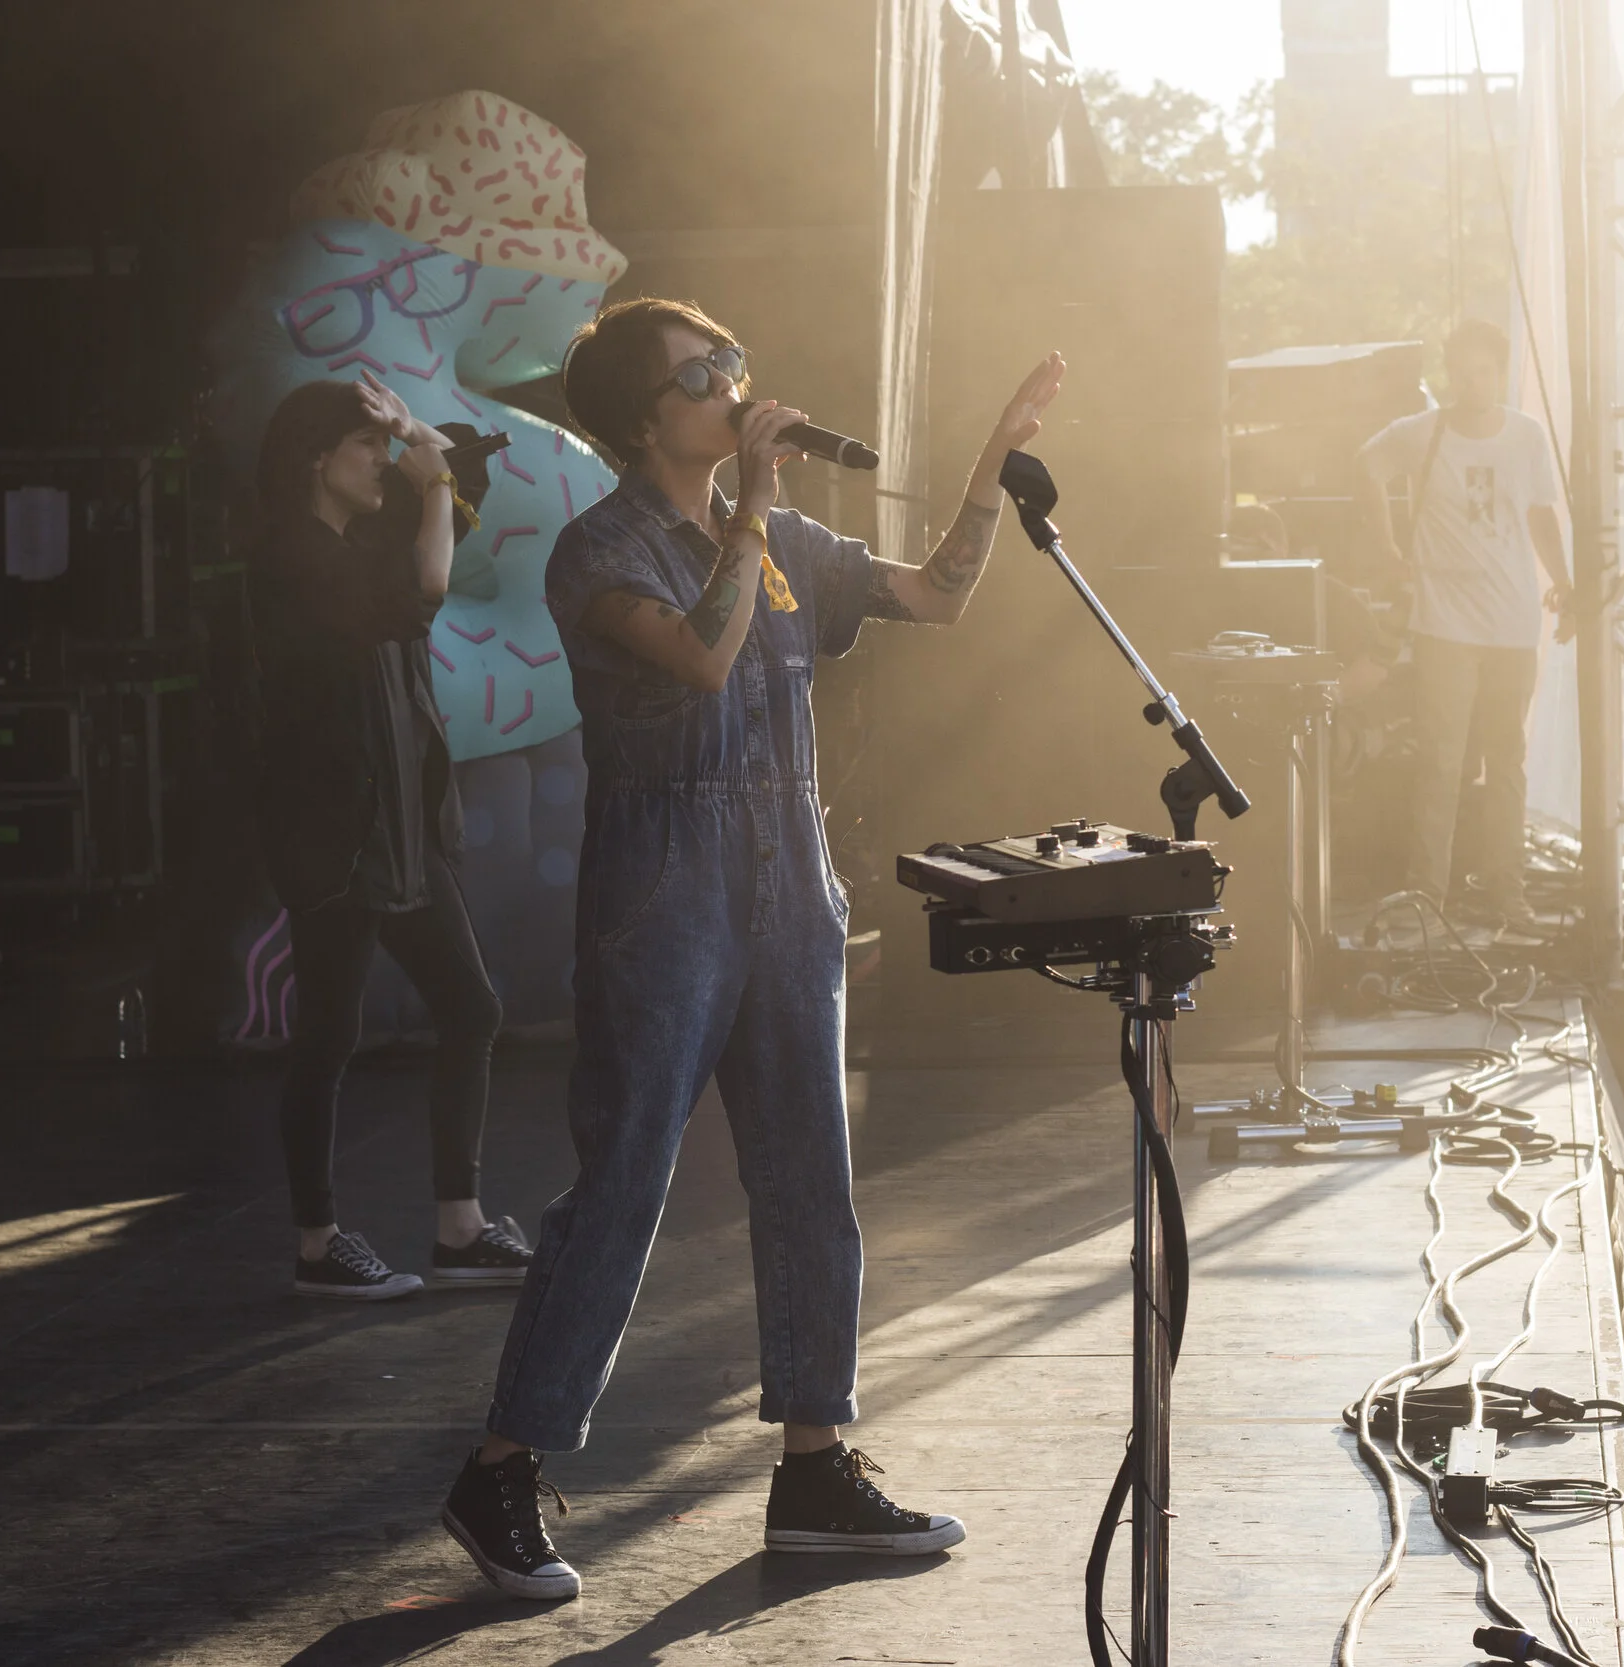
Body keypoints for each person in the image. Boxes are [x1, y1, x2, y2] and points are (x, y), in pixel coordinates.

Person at [439, 296, 1067, 1600]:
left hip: (790, 883)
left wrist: (986, 470)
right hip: (663, 895)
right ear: (642, 416)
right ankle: (501, 1466)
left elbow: (936, 596)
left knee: (809, 1183)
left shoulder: (777, 536)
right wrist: (756, 502)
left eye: (735, 360)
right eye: (703, 373)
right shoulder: (598, 549)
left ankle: (815, 1465)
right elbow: (705, 655)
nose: (735, 383)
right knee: (623, 1182)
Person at [250, 373, 521, 1301]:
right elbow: (425, 585)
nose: (381, 463)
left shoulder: (358, 536)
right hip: (335, 829)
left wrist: (422, 445)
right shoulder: (292, 555)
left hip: (403, 821)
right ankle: (318, 1244)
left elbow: (448, 518)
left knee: (470, 1007)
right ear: (316, 458)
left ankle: (460, 1226)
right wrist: (432, 481)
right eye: (363, 447)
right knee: (329, 1031)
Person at [1353, 319, 1571, 925]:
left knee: (1506, 761)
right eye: (1464, 371)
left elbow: (1540, 516)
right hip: (1445, 624)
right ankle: (1429, 894)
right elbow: (1365, 467)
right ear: (1451, 374)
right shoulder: (1424, 432)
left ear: (1501, 373)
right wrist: (1388, 550)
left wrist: (1565, 581)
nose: (1474, 383)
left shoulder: (1525, 436)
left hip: (1512, 624)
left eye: (1485, 371)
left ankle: (1508, 892)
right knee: (1442, 762)